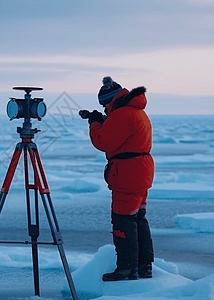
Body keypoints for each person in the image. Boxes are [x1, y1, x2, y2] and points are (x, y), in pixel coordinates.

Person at [82, 76, 155, 281]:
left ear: (111, 99)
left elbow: (103, 141)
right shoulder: (136, 111)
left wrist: (95, 123)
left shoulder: (122, 115)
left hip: (127, 173)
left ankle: (126, 268)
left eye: (105, 103)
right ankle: (144, 265)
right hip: (140, 171)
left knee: (122, 221)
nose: (104, 108)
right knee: (137, 219)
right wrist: (103, 120)